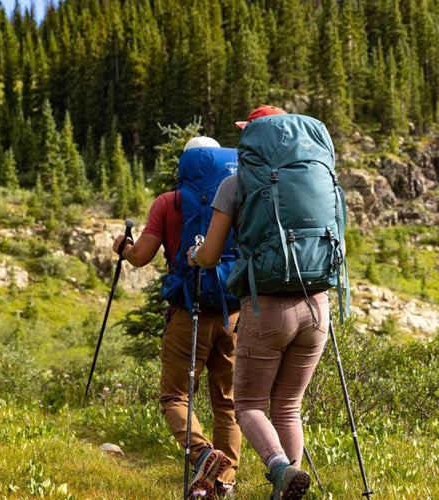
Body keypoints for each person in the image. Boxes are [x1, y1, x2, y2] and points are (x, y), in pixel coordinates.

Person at [187, 106, 331, 500]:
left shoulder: (235, 184)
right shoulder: (317, 177)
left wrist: (195, 255)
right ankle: (288, 487)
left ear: (253, 137)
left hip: (267, 306)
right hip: (317, 305)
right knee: (288, 406)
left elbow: (211, 255)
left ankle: (280, 469)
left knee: (249, 405)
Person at [113, 136, 241, 499]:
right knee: (227, 401)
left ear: (184, 165)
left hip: (189, 309)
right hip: (233, 311)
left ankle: (202, 455)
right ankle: (224, 481)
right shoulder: (236, 196)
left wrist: (124, 248)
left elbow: (141, 257)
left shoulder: (168, 202)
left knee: (175, 396)